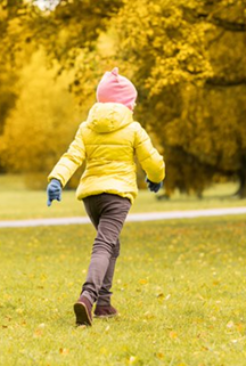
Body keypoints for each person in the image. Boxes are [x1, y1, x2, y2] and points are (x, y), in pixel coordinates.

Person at [46, 68, 165, 326]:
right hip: (117, 196)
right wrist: (156, 178)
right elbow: (152, 160)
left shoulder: (86, 128)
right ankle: (88, 297)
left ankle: (104, 304)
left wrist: (57, 179)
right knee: (104, 244)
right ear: (128, 104)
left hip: (92, 198)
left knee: (111, 244)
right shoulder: (133, 129)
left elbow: (72, 157)